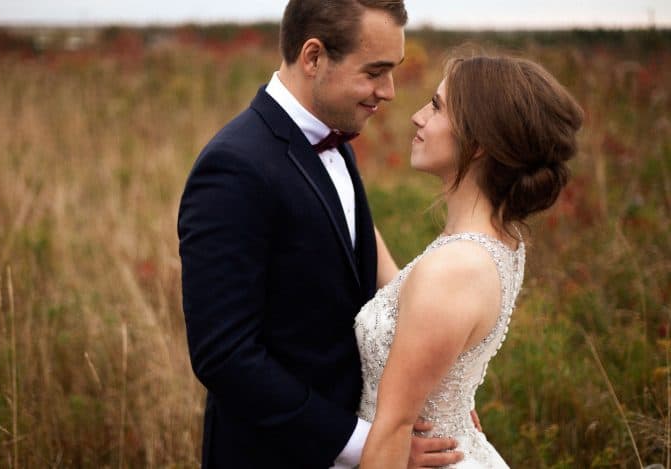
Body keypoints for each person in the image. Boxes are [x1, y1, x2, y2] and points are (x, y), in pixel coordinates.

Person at [178, 1, 466, 467]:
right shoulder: (233, 168)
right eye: (375, 72)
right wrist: (364, 445)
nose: (389, 91)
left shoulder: (334, 142)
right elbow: (225, 356)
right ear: (313, 57)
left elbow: (356, 269)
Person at [355, 54, 584, 468]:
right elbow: (405, 295)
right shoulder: (498, 240)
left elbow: (393, 429)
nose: (417, 118)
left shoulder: (454, 270)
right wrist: (344, 205)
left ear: (477, 143)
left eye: (437, 107)